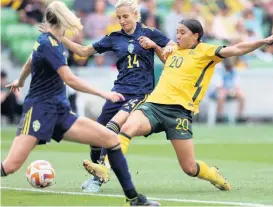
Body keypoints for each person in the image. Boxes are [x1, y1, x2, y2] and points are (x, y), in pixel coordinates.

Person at [84, 19, 273, 191]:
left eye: (182, 32)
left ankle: (213, 175)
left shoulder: (206, 51)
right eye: (177, 31)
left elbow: (237, 49)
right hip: (154, 105)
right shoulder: (173, 50)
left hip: (179, 113)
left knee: (189, 168)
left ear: (195, 35)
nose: (177, 36)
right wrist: (155, 47)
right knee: (126, 127)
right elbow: (167, 61)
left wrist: (264, 41)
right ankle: (105, 169)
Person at [0, 1, 160, 206]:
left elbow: (32, 59)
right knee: (11, 165)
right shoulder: (48, 43)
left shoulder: (55, 41)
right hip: (39, 111)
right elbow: (70, 79)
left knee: (111, 139)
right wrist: (104, 93)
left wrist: (20, 81)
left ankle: (134, 198)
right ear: (63, 19)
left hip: (61, 112)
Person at [39, 0, 174, 192]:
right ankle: (97, 175)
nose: (122, 20)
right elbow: (83, 51)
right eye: (119, 17)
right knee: (96, 135)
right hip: (118, 92)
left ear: (135, 15)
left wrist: (158, 47)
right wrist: (58, 36)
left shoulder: (150, 33)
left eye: (125, 16)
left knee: (112, 128)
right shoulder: (114, 37)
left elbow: (173, 49)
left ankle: (99, 179)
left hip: (140, 93)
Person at [209, 59, 246, 123]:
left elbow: (236, 85)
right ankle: (220, 117)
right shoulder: (219, 71)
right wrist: (228, 91)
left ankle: (239, 117)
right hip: (217, 92)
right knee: (221, 95)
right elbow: (219, 86)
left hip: (230, 91)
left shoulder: (234, 71)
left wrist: (233, 91)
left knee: (242, 96)